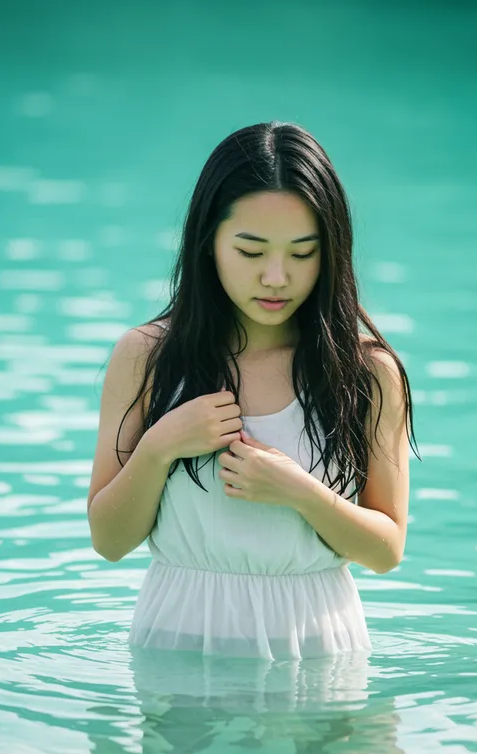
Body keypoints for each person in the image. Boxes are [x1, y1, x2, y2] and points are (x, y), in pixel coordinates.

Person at [87, 120, 418, 660]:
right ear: (207, 243)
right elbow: (109, 541)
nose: (275, 277)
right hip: (177, 642)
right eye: (251, 250)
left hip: (315, 648)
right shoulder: (147, 358)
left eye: (303, 252)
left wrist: (299, 491)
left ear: (331, 251)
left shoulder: (366, 372)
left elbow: (386, 551)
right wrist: (160, 447)